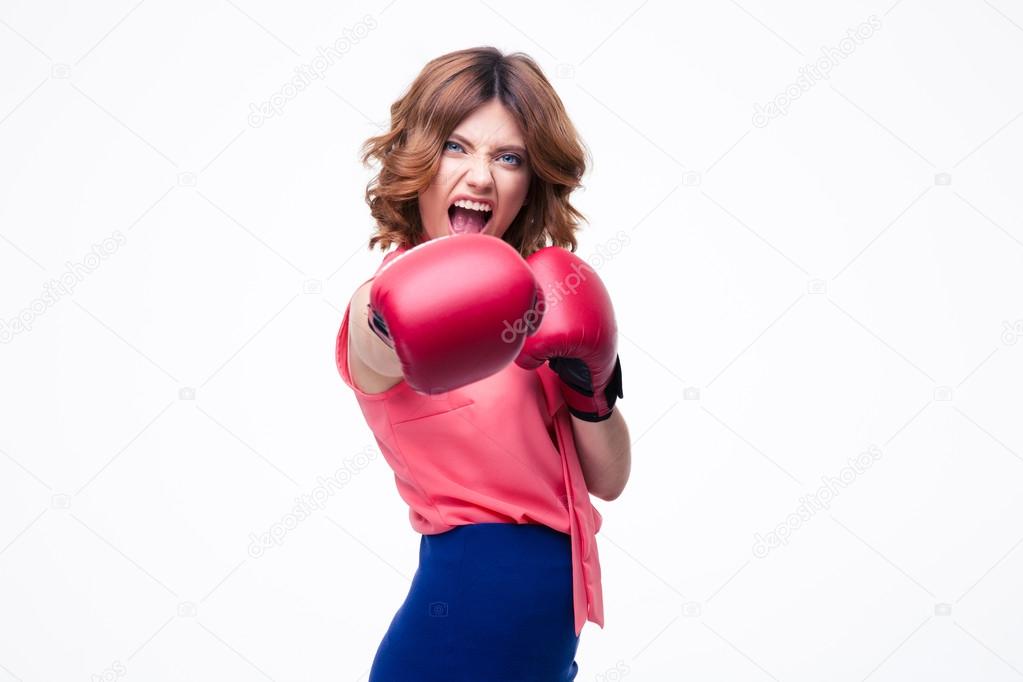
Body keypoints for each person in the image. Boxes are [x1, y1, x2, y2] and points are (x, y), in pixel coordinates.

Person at [335, 46, 631, 681]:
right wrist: (387, 315)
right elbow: (371, 344)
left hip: (541, 648)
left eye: (508, 157)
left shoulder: (543, 310)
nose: (480, 177)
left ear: (530, 181)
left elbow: (608, 479)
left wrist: (593, 386)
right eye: (455, 147)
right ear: (417, 160)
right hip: (460, 635)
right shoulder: (384, 300)